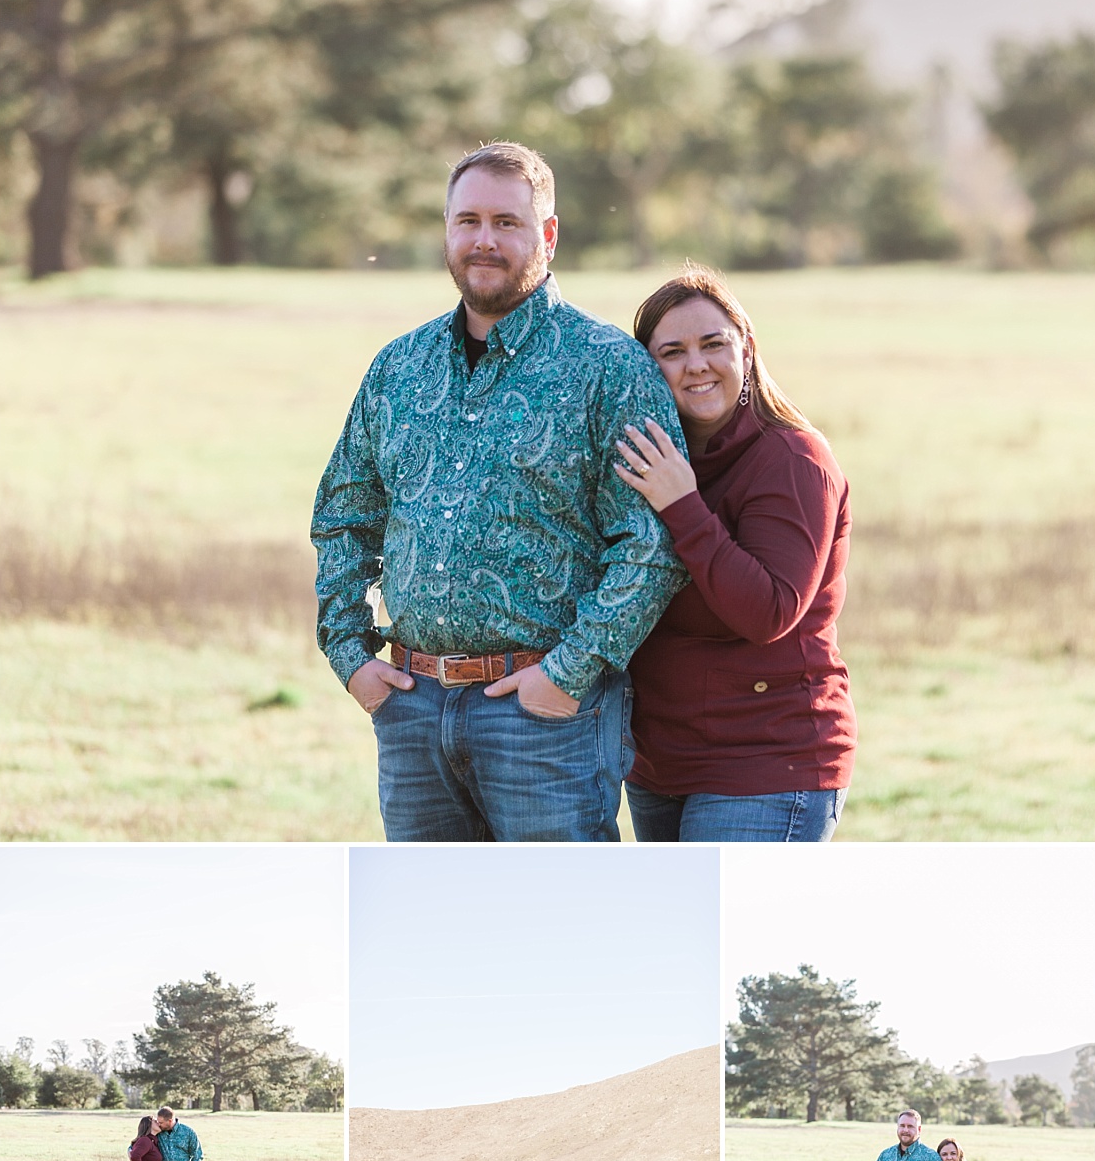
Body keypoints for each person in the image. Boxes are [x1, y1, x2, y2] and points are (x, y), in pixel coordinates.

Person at [312, 141, 688, 842]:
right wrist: (349, 656)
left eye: (508, 223)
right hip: (413, 709)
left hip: (545, 719)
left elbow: (652, 539)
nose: (485, 240)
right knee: (430, 932)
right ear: (448, 230)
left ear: (547, 235)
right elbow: (344, 516)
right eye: (468, 221)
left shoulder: (609, 368)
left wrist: (568, 676)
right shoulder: (398, 367)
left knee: (557, 932)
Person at [615, 265, 856, 841]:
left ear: (746, 348)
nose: (696, 364)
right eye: (671, 351)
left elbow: (768, 610)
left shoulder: (793, 461)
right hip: (657, 765)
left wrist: (683, 506)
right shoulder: (648, 459)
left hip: (767, 762)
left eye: (713, 344)